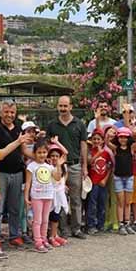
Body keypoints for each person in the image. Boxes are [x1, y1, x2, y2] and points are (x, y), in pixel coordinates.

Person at [0, 100, 27, 246]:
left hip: (17, 172)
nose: (9, 115)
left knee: (15, 207)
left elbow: (24, 150)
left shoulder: (19, 128)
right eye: (6, 112)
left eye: (12, 112)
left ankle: (14, 234)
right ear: (1, 112)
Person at [46, 96, 88, 239]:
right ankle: (63, 229)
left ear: (71, 107)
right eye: (61, 106)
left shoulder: (79, 124)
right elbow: (48, 146)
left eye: (65, 106)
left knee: (76, 199)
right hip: (59, 168)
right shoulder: (52, 125)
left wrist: (84, 166)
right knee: (59, 198)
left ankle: (76, 228)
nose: (63, 108)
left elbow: (83, 145)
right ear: (57, 106)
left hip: (75, 165)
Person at [24, 140, 64, 253]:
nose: (42, 155)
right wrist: (26, 197)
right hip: (37, 196)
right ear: (35, 153)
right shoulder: (31, 166)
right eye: (39, 152)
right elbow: (28, 183)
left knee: (45, 219)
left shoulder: (49, 166)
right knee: (38, 220)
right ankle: (37, 241)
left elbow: (57, 178)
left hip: (48, 195)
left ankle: (44, 239)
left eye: (44, 152)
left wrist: (58, 165)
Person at [110, 127, 136, 235]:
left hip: (129, 177)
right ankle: (121, 224)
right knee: (120, 202)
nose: (123, 139)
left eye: (125, 137)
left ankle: (127, 223)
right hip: (118, 177)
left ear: (128, 138)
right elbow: (106, 142)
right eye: (121, 137)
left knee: (128, 202)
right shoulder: (115, 148)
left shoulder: (131, 148)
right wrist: (111, 132)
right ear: (118, 138)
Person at [87, 129, 113, 235]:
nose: (96, 141)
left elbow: (110, 167)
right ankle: (91, 225)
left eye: (99, 139)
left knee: (102, 204)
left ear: (103, 141)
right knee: (92, 204)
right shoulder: (90, 151)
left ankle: (100, 224)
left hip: (102, 182)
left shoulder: (107, 153)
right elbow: (89, 162)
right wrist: (98, 153)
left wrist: (105, 179)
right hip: (93, 182)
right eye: (94, 139)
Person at [47, 144, 69, 247]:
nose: (55, 158)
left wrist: (57, 142)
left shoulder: (64, 166)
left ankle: (54, 235)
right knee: (49, 216)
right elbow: (57, 177)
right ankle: (48, 236)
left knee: (56, 216)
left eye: (57, 156)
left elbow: (63, 178)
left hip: (59, 195)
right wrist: (59, 165)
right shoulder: (49, 167)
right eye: (52, 155)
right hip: (50, 195)